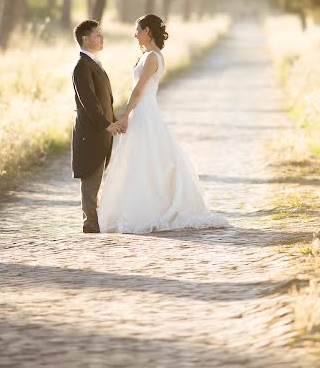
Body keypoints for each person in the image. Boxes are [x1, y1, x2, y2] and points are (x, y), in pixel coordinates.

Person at [98, 14, 230, 234]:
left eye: (138, 30)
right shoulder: (148, 55)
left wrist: (124, 116)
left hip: (145, 113)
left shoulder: (152, 57)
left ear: (148, 31)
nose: (135, 34)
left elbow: (139, 90)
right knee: (142, 160)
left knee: (146, 159)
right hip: (144, 113)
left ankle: (150, 208)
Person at [71, 20, 123, 233]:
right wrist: (106, 125)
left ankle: (95, 221)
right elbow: (89, 102)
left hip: (101, 132)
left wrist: (114, 121)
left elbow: (104, 101)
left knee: (97, 177)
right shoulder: (81, 66)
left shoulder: (94, 63)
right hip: (91, 133)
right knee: (91, 181)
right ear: (85, 39)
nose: (102, 38)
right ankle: (90, 224)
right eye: (97, 35)